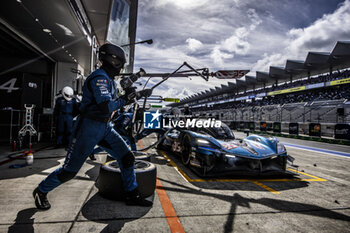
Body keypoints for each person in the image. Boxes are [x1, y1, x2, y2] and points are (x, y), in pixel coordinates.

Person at [33, 43, 152, 210]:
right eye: (121, 64)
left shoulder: (109, 80)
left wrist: (136, 95)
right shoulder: (100, 78)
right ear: (113, 62)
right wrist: (127, 99)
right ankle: (41, 190)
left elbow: (116, 100)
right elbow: (106, 106)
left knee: (127, 157)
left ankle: (132, 194)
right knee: (69, 171)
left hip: (105, 127)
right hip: (87, 129)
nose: (122, 68)